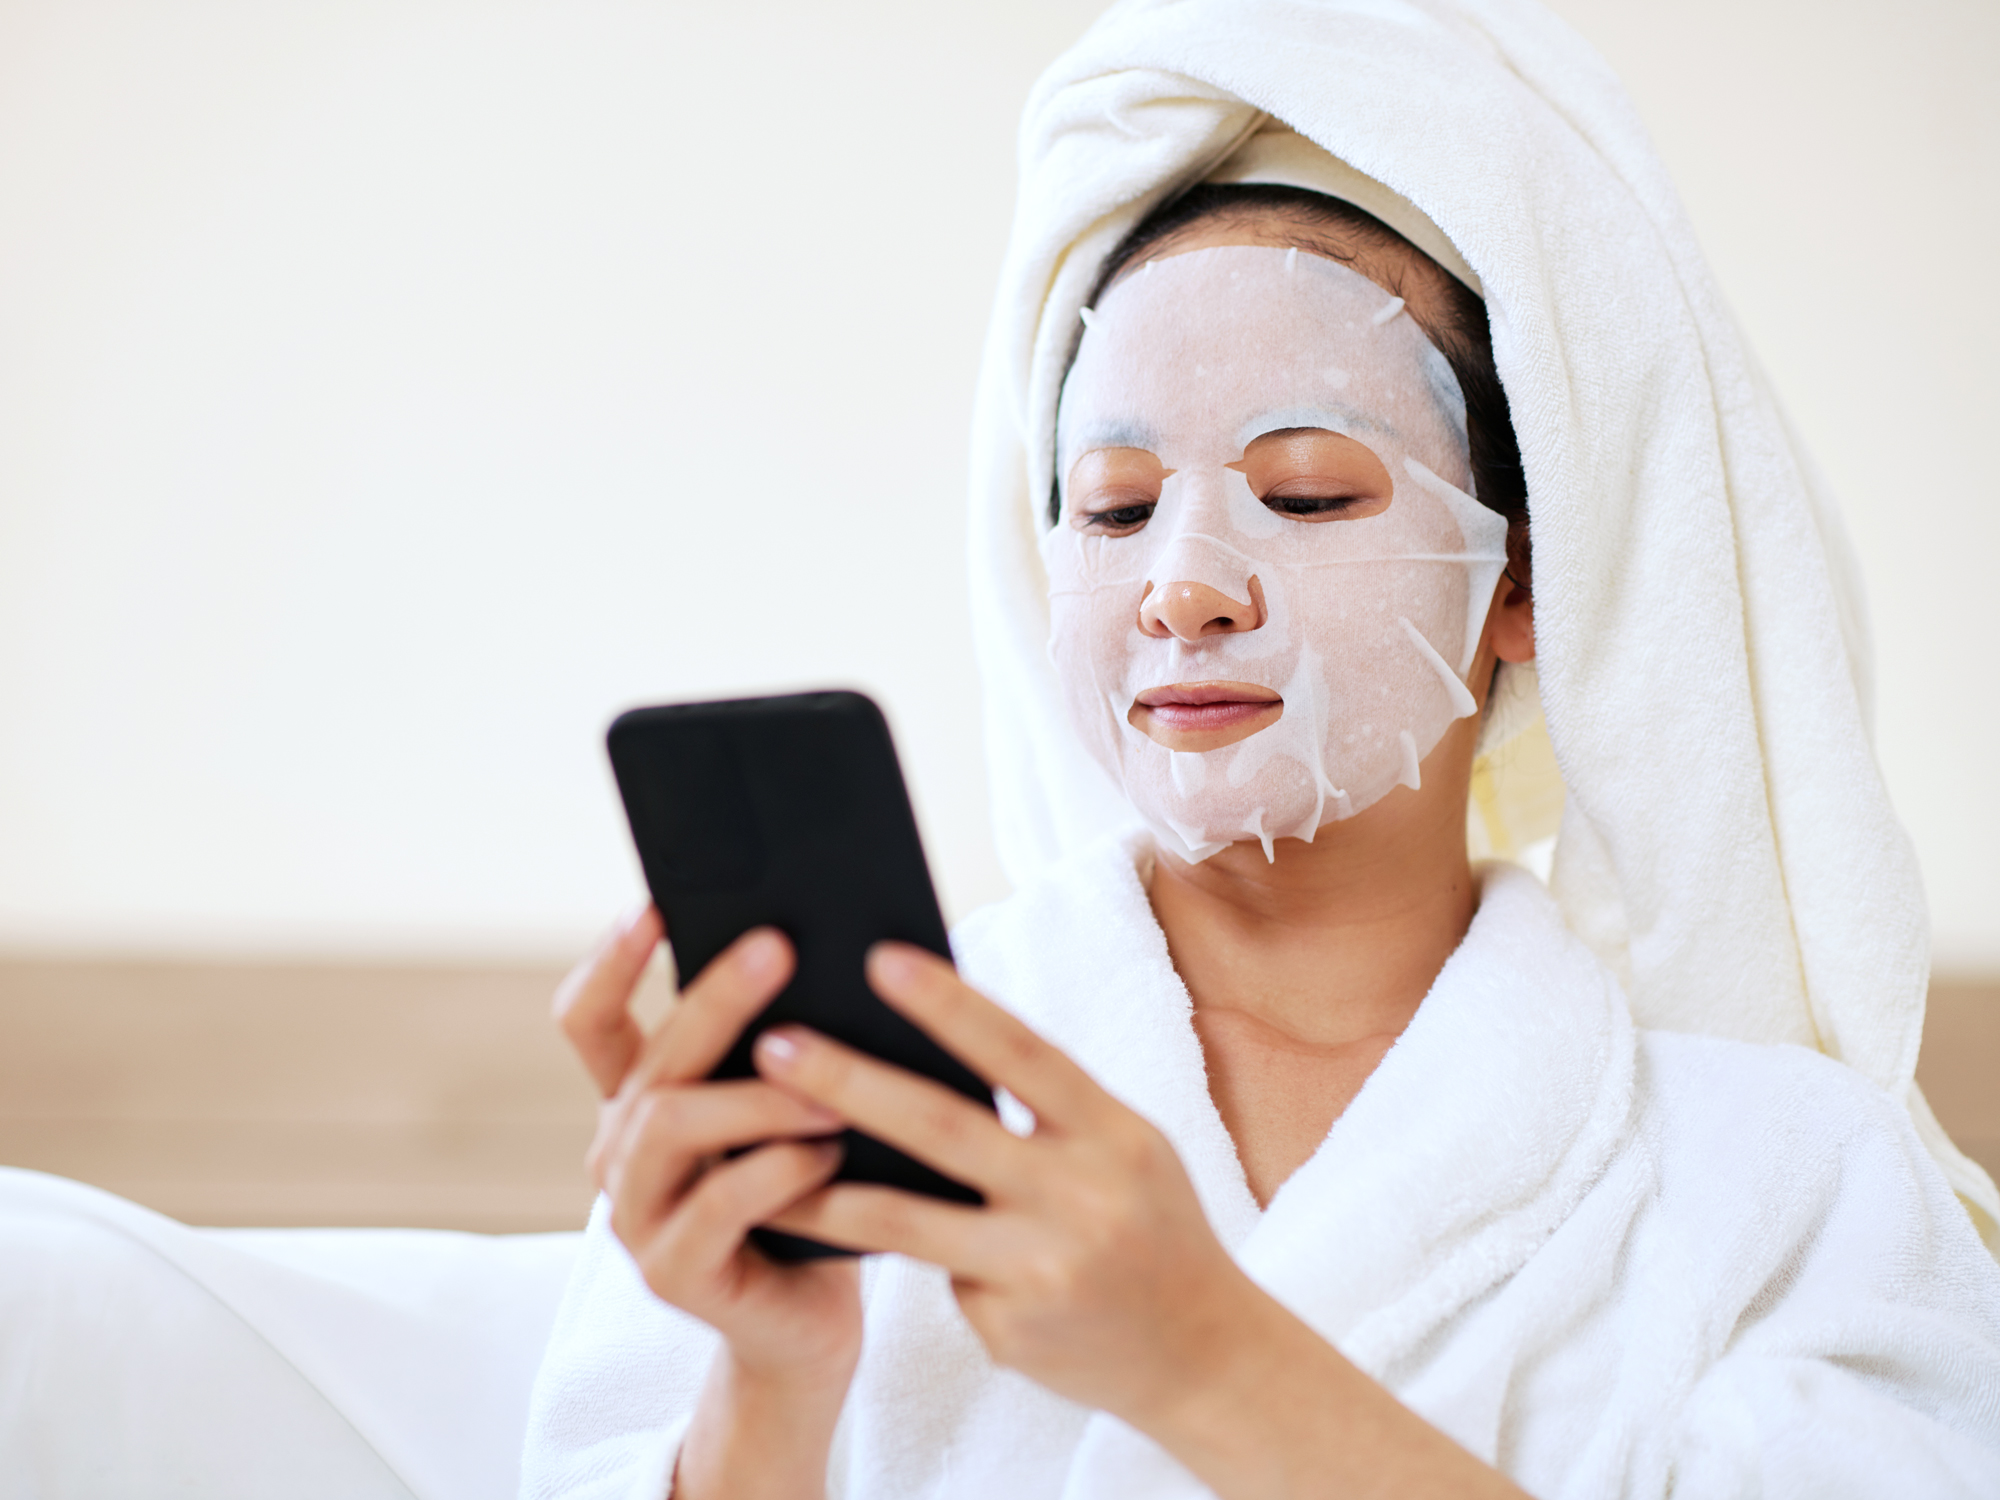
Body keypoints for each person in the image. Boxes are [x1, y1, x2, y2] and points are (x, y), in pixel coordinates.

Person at [519, 3, 2000, 1497]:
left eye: (1304, 494)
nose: (1183, 583)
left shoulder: (1790, 1182)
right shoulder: (839, 1112)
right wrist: (768, 1393)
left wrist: (1210, 1363)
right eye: (1112, 507)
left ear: (1524, 583)